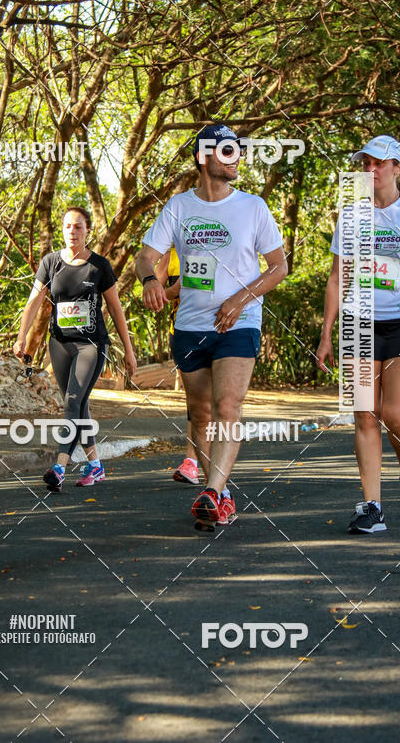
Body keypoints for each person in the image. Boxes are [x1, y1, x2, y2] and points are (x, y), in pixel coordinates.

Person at [136, 124, 288, 530]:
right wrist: (151, 280)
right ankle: (217, 493)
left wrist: (240, 300)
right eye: (227, 151)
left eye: (238, 150)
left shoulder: (253, 207)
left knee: (227, 407)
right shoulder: (179, 207)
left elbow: (278, 267)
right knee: (200, 414)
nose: (236, 156)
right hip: (190, 326)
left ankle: (213, 490)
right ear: (204, 158)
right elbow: (145, 257)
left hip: (239, 324)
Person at [316, 135, 400, 533]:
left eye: (379, 163)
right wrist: (326, 334)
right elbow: (337, 278)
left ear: (398, 168)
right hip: (358, 321)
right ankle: (371, 507)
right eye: (365, 163)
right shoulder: (351, 216)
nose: (370, 170)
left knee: (396, 415)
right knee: (365, 417)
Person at [14, 206, 137, 490]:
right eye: (68, 226)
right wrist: (22, 337)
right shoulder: (50, 262)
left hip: (91, 345)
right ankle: (95, 466)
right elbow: (34, 301)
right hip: (59, 343)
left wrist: (128, 351)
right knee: (77, 405)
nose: (72, 231)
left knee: (72, 401)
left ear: (88, 231)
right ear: (62, 229)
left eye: (78, 226)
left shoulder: (99, 266)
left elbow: (116, 310)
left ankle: (59, 467)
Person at [154, 247, 199, 485]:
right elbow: (156, 296)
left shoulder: (221, 247)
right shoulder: (171, 255)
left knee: (221, 402)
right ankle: (191, 462)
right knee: (195, 399)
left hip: (223, 330)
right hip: (183, 333)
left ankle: (216, 460)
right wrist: (176, 289)